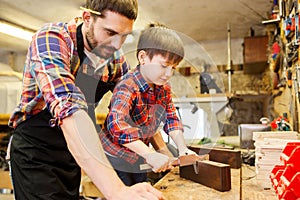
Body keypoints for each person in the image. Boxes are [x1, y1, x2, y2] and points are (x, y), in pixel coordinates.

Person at [7, 0, 164, 199]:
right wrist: (116, 190)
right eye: (110, 33)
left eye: (124, 37)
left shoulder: (114, 60)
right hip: (35, 152)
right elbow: (68, 108)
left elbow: (136, 106)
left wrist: (163, 151)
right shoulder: (51, 39)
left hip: (72, 151)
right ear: (87, 18)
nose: (117, 44)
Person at [100, 26, 197, 186]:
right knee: (127, 193)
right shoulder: (127, 85)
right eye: (164, 65)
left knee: (144, 187)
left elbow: (171, 118)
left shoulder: (163, 87)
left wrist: (182, 148)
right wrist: (150, 154)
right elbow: (116, 125)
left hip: (138, 155)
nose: (168, 74)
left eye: (173, 68)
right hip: (115, 156)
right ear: (143, 57)